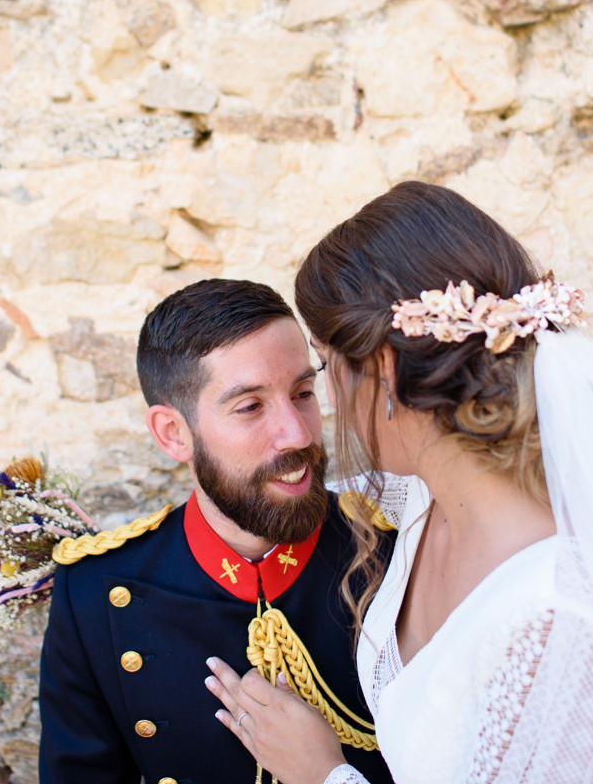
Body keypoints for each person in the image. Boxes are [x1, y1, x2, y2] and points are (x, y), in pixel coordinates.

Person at [204, 182, 593, 784]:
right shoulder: (420, 498)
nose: (324, 403)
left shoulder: (552, 622)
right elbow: (284, 495)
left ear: (382, 369)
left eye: (325, 369)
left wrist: (323, 774)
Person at [38, 278, 394, 784]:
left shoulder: (391, 549)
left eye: (304, 392)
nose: (297, 433)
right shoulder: (94, 590)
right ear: (174, 434)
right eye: (250, 407)